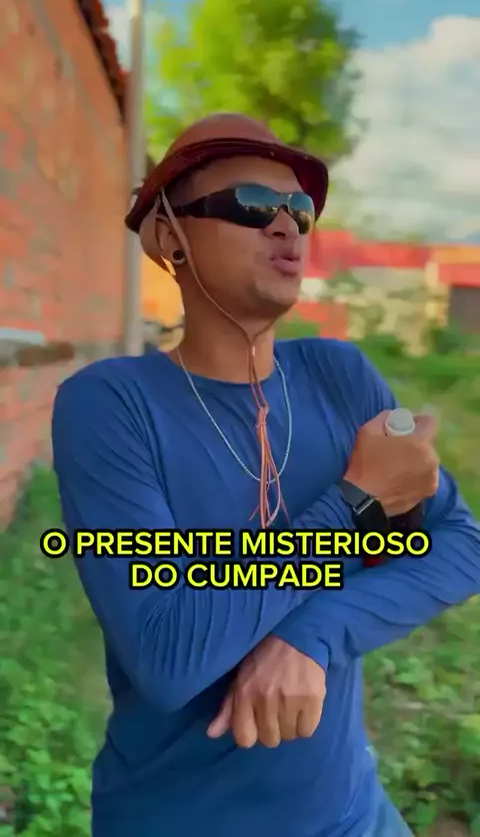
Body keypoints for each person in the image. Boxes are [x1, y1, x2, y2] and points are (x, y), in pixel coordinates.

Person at [51, 113, 480, 837]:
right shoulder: (112, 404)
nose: (287, 227)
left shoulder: (341, 376)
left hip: (351, 810)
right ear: (171, 238)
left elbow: (461, 544)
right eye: (252, 204)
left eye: (300, 210)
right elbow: (168, 652)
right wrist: (356, 502)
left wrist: (314, 633)